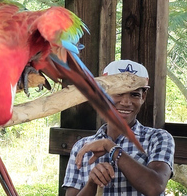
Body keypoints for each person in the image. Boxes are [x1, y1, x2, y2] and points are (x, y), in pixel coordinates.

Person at [63, 60, 175, 196]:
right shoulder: (81, 147)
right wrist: (92, 183)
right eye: (118, 93)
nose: (126, 102)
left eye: (134, 94)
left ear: (143, 97)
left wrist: (110, 147)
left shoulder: (158, 138)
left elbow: (154, 187)